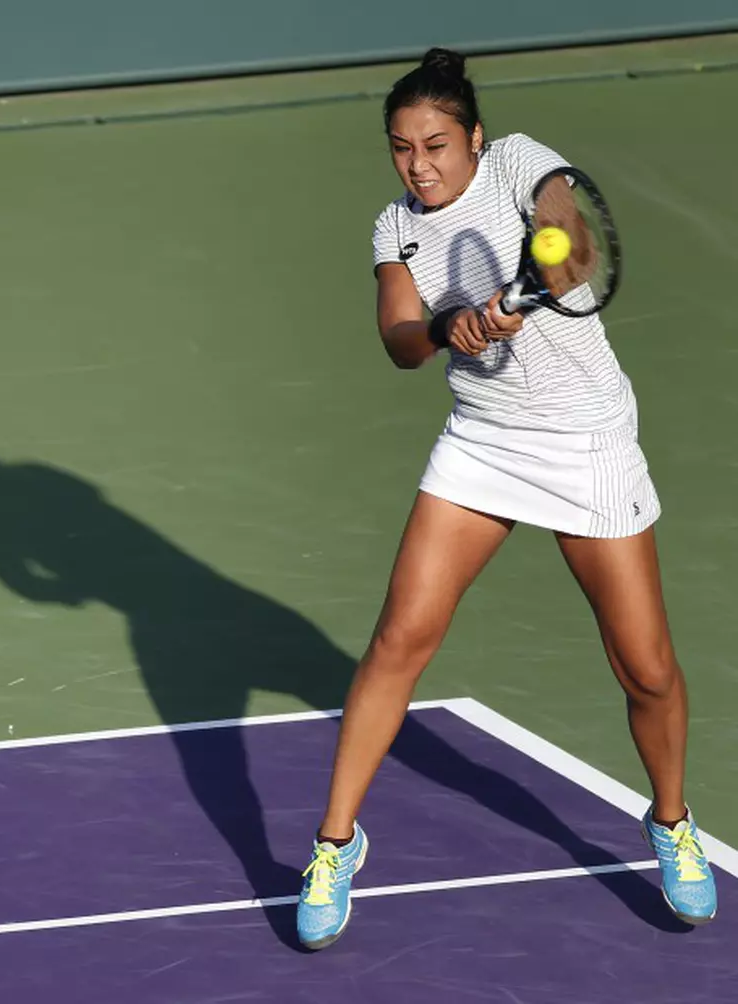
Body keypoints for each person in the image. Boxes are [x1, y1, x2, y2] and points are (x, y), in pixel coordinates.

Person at [295, 47, 717, 950]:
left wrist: (525, 289)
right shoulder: (395, 229)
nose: (419, 166)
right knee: (399, 639)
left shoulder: (524, 162)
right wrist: (451, 324)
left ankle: (672, 821)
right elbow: (400, 340)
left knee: (646, 668)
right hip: (483, 443)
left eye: (437, 145)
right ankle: (334, 843)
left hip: (586, 441)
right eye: (402, 148)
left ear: (476, 139)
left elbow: (575, 252)